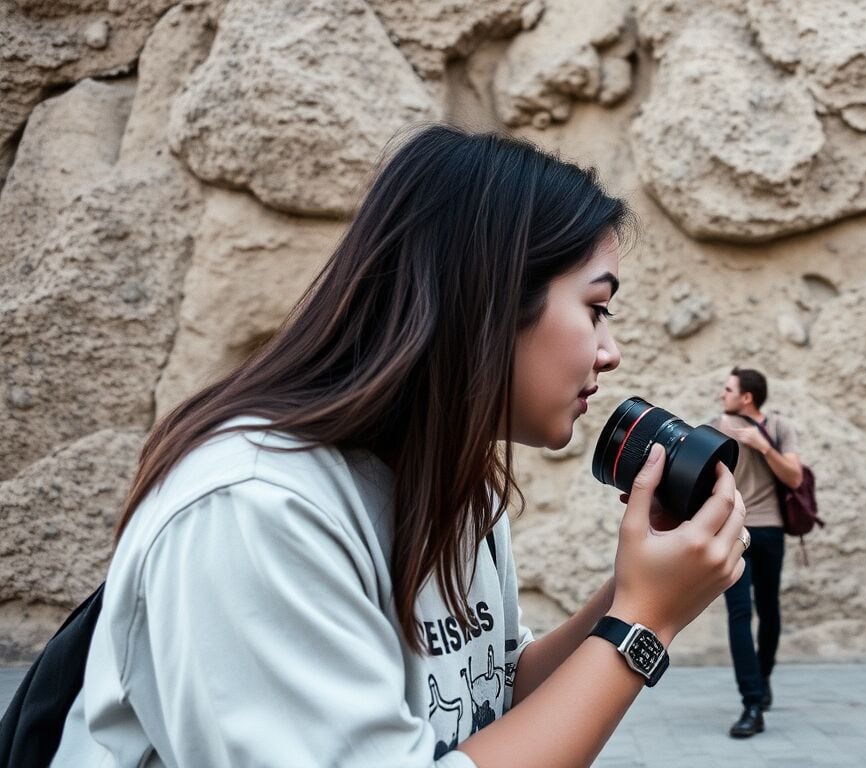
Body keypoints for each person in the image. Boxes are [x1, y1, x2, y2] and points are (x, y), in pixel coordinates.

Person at [49, 124, 749, 767]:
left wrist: (634, 594)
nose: (610, 352)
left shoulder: (459, 486)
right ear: (492, 295)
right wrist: (641, 627)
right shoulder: (253, 511)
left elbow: (493, 702)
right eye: (596, 308)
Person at [713, 367, 803, 738]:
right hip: (736, 530)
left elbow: (795, 478)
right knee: (739, 612)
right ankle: (751, 703)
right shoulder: (719, 426)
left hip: (771, 531)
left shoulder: (780, 427)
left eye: (729, 389)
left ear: (747, 397)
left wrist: (763, 445)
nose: (723, 394)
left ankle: (762, 679)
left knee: (769, 610)